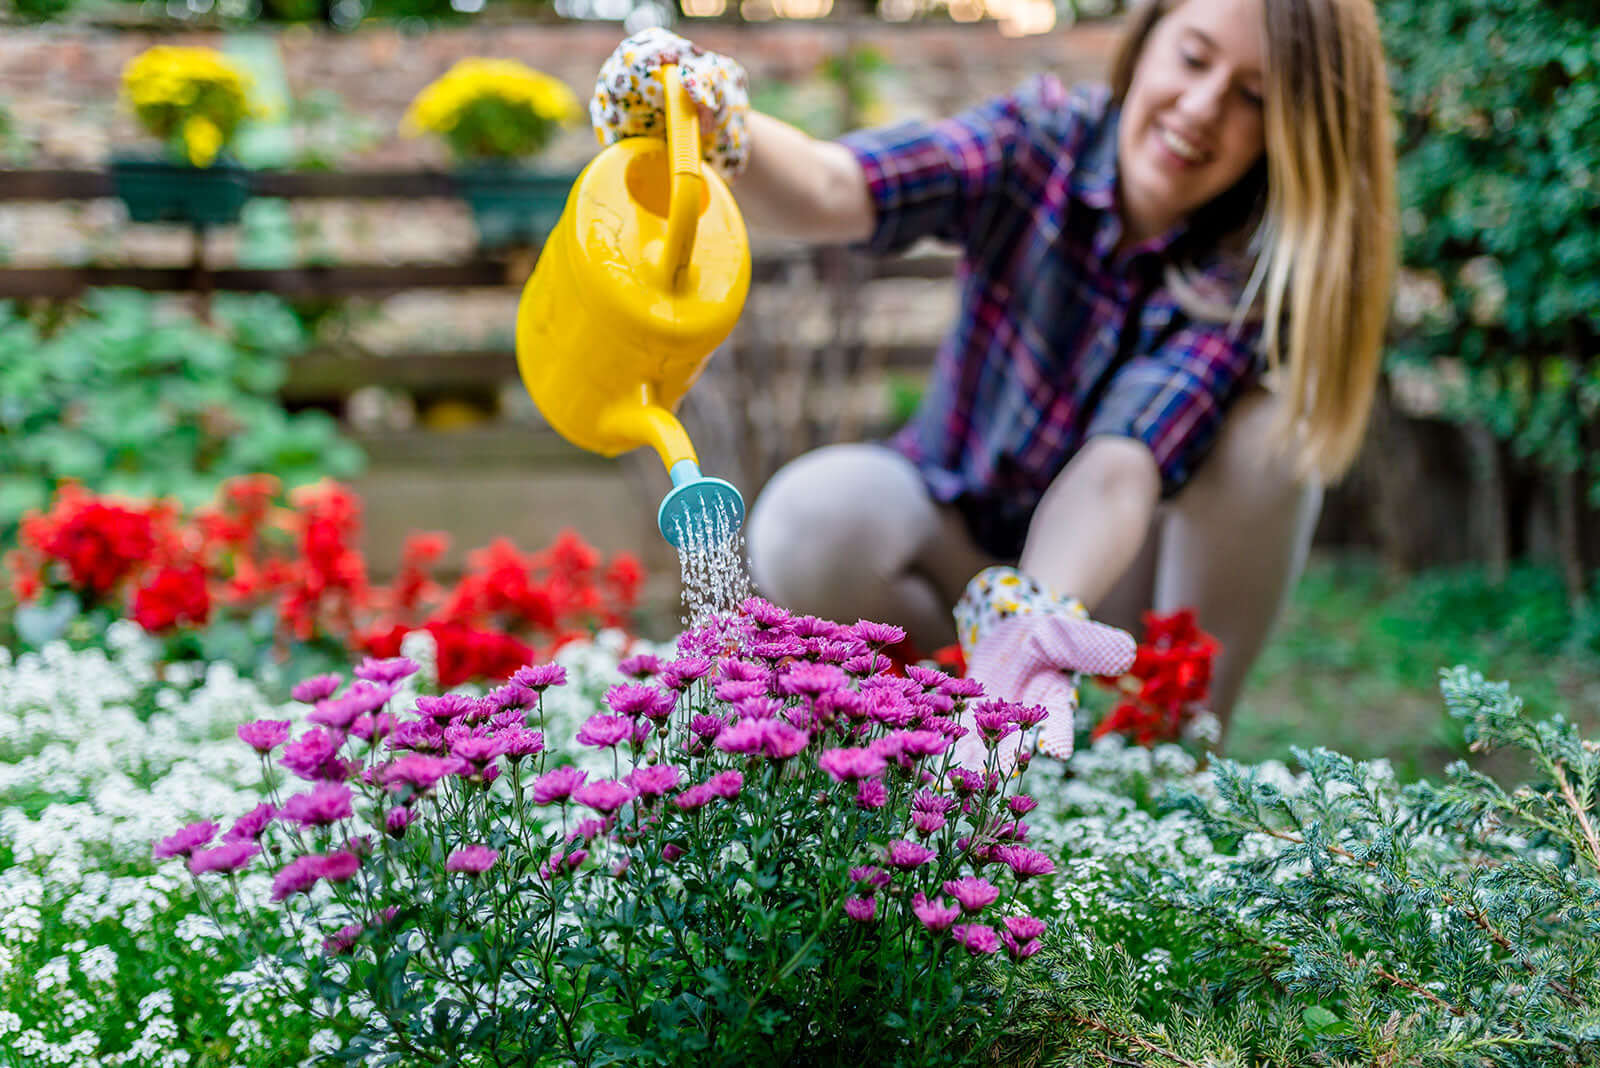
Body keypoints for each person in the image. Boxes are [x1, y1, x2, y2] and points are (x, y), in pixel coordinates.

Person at [589, 0, 1397, 761]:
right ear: (1147, 38)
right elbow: (837, 185)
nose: (1201, 108)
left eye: (1253, 97)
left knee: (1271, 438)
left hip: (1105, 601)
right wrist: (711, 115)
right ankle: (935, 728)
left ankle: (1174, 748)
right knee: (812, 515)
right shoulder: (1037, 142)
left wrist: (1031, 618)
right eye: (1192, 58)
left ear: (1290, 132)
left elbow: (1119, 466)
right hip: (952, 540)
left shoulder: (1251, 271)